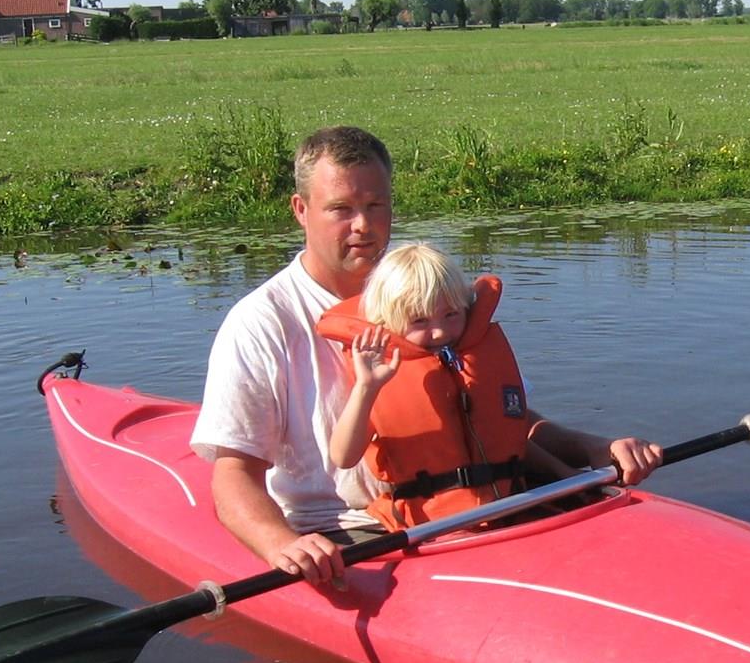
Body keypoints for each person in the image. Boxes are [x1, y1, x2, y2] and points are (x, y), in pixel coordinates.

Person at [191, 125, 661, 586]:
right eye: (341, 209)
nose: (362, 226)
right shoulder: (261, 322)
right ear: (301, 209)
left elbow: (500, 420)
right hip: (351, 530)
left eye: (376, 205)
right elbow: (234, 474)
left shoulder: (431, 297)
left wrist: (592, 448)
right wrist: (281, 545)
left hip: (482, 506)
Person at [321, 242, 582, 530]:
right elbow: (343, 457)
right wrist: (366, 389)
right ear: (388, 323)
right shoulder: (379, 375)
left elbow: (511, 442)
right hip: (430, 526)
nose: (440, 331)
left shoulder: (477, 356)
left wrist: (567, 475)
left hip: (511, 506)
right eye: (419, 320)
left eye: (451, 314)